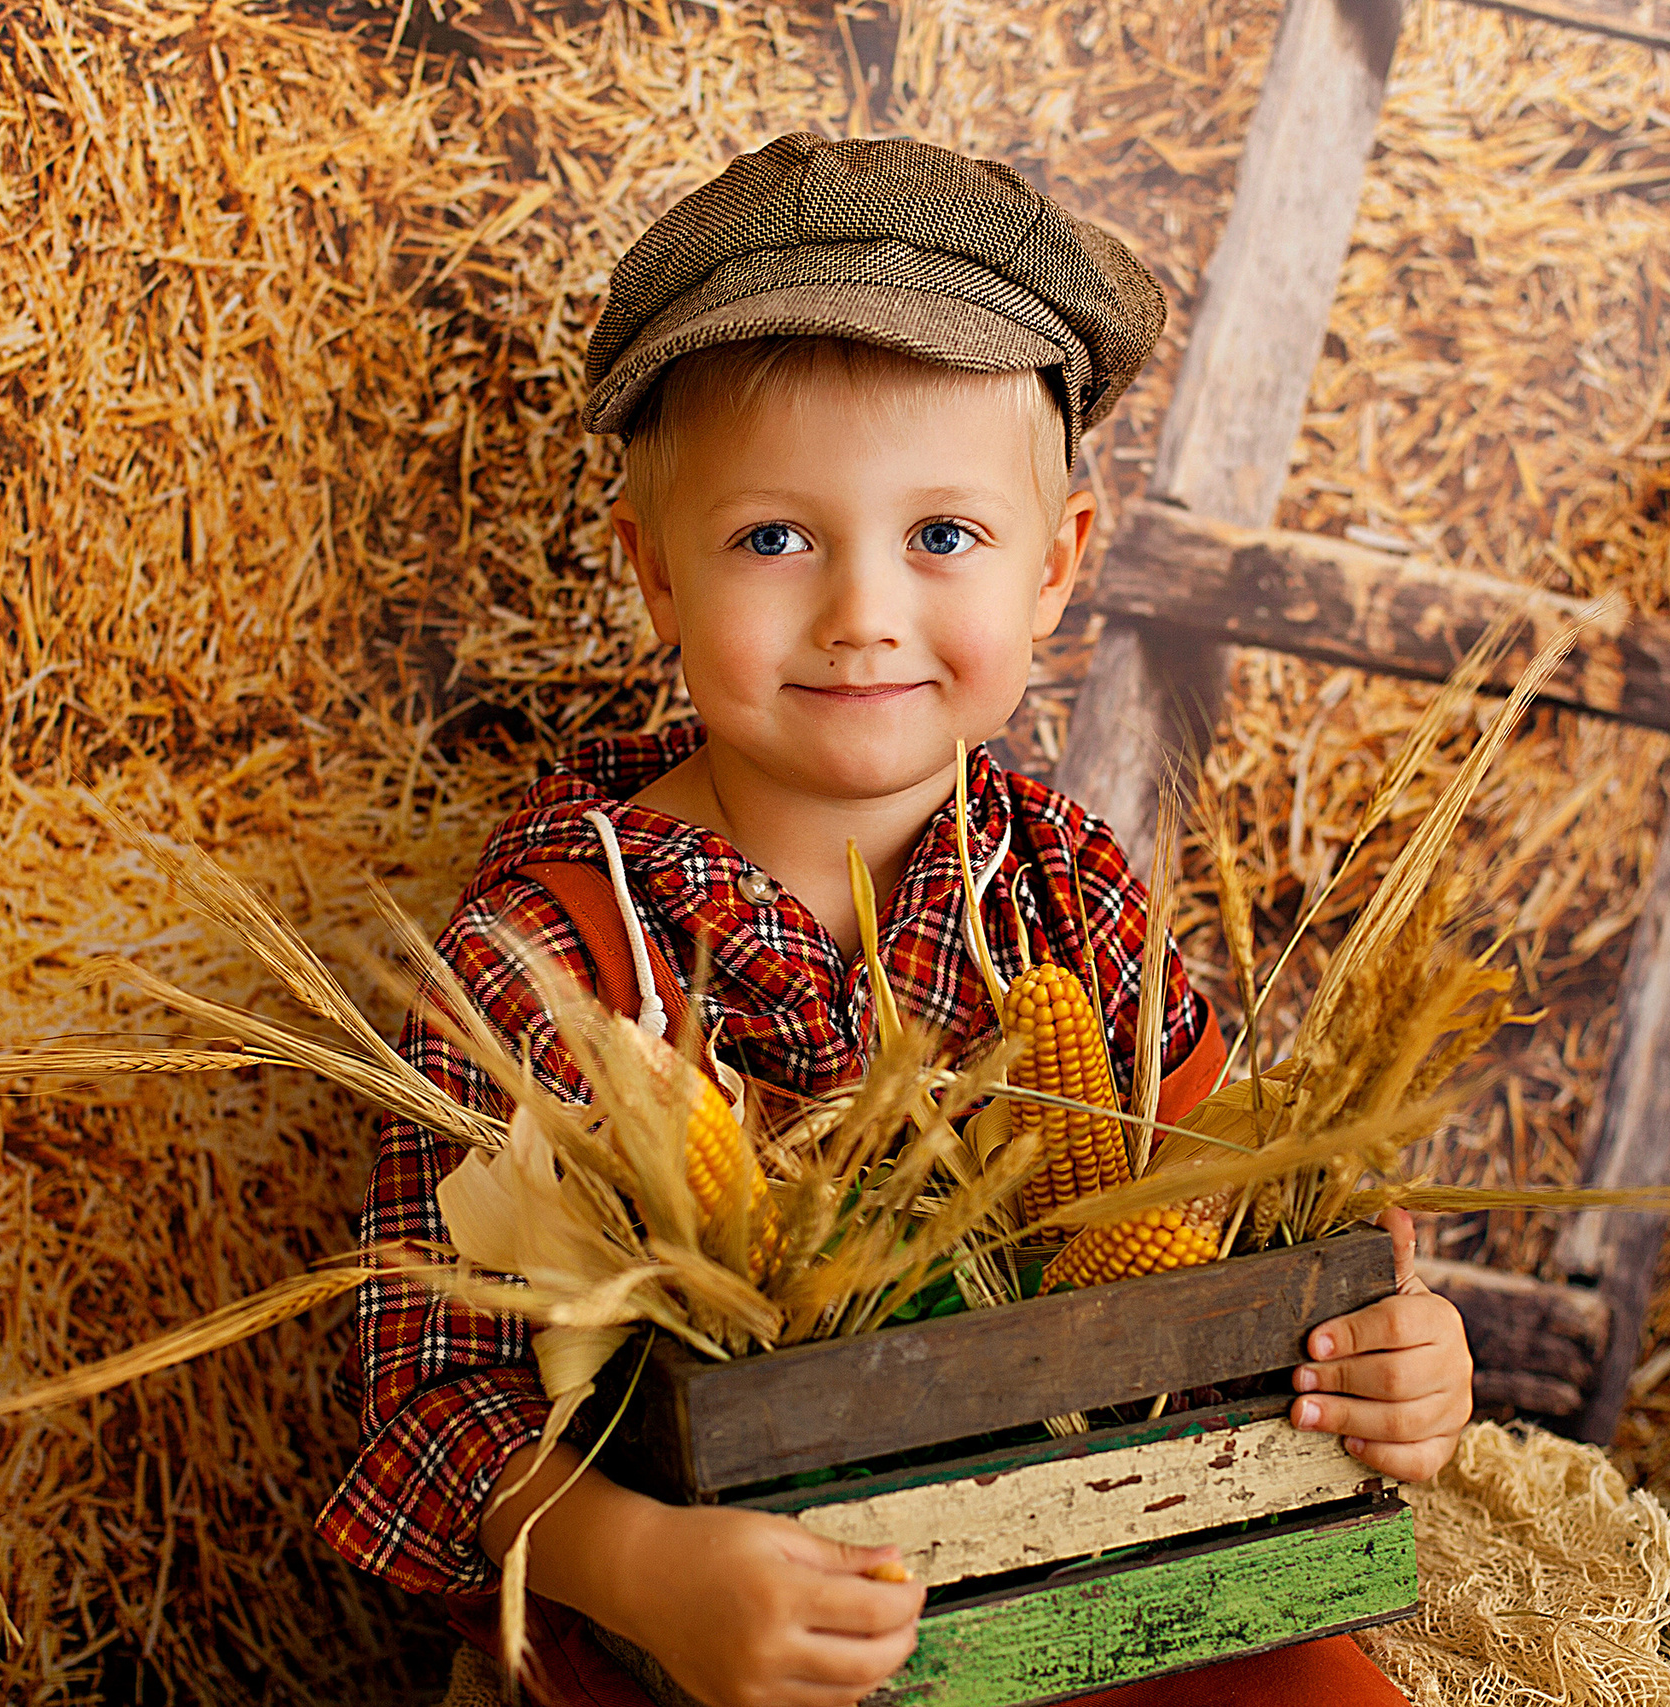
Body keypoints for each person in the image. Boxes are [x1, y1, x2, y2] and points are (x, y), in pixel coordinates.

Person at [317, 134, 1474, 1707]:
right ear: (651, 570)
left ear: (1057, 562)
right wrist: (650, 1573)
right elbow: (428, 1410)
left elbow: (1237, 1194)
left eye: (943, 536)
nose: (863, 610)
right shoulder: (556, 958)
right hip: (732, 1633)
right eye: (774, 539)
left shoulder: (1066, 888)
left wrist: (1388, 1336)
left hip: (1085, 1567)